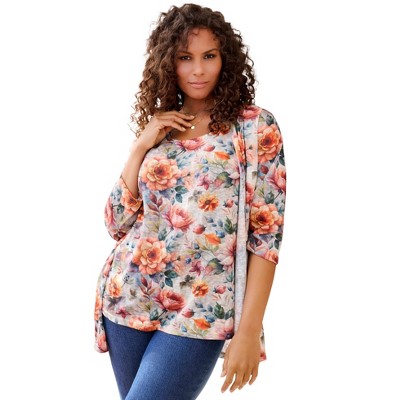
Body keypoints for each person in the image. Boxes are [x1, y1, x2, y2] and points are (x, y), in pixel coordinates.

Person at [94, 3, 286, 399]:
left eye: (208, 56)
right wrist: (140, 147)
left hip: (202, 311)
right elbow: (116, 223)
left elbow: (266, 237)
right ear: (169, 63)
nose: (198, 70)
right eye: (185, 58)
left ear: (225, 60)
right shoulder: (161, 129)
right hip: (129, 297)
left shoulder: (253, 127)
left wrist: (249, 329)